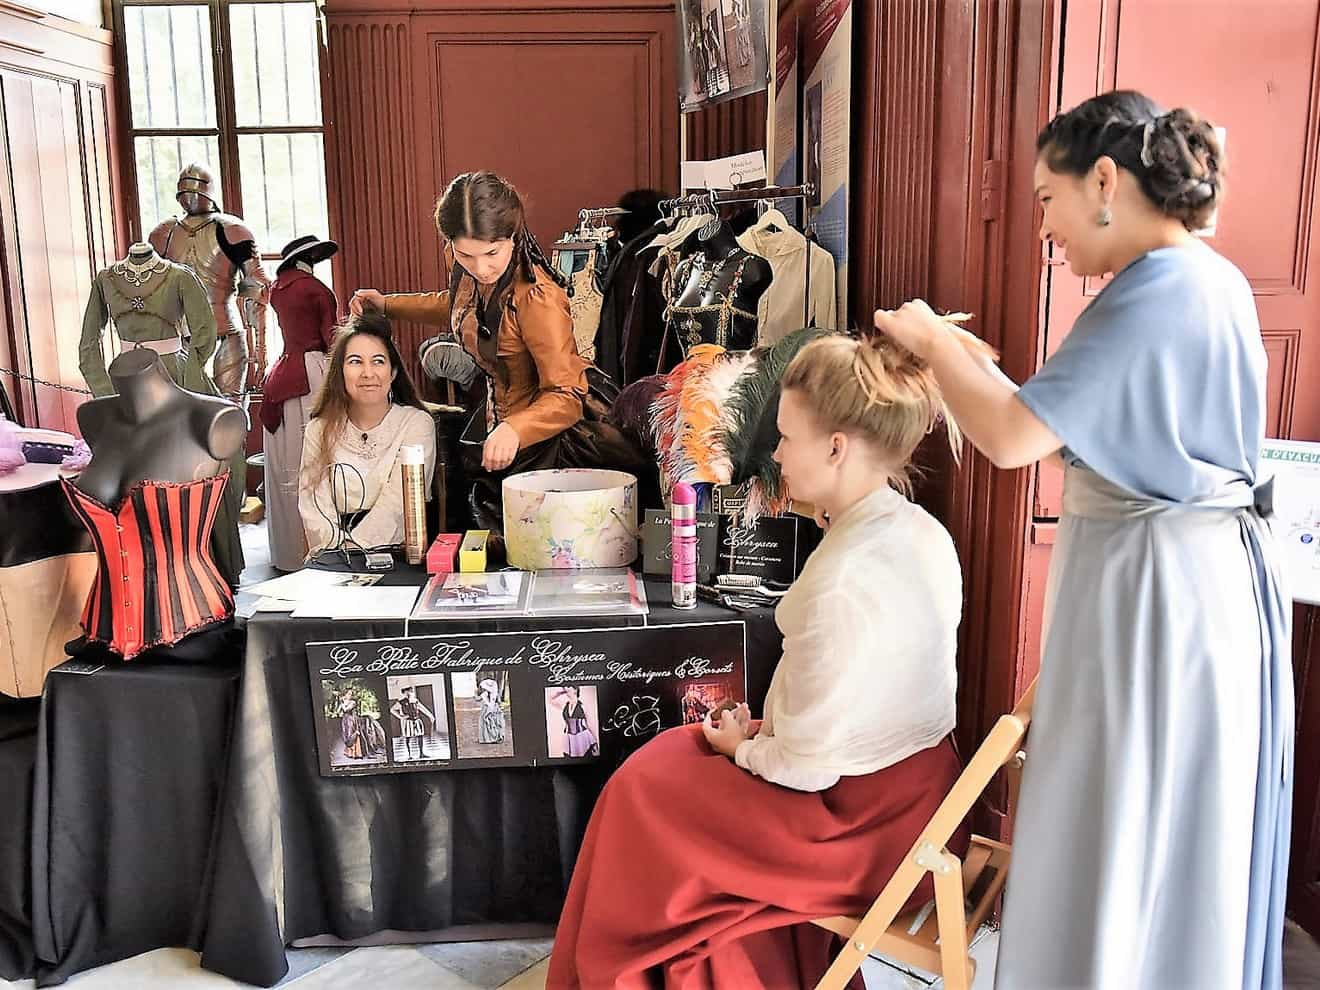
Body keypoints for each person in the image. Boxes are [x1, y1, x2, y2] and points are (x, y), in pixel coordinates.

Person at [871, 90, 1293, 990]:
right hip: (1186, 585)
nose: (1045, 230)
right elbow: (1085, 431)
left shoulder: (1157, 288)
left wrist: (928, 341)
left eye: (1045, 200)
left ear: (1105, 179)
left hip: (1157, 597)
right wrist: (971, 369)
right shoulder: (1201, 278)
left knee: (1121, 813)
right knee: (1157, 825)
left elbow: (1019, 438)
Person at [547, 333, 967, 988]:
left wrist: (742, 749)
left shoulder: (842, 582)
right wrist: (751, 741)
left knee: (639, 793)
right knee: (663, 768)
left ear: (837, 447)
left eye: (786, 437)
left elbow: (803, 771)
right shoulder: (920, 531)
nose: (773, 454)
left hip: (859, 831)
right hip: (918, 796)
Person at [348, 171, 645, 539]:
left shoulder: (537, 298)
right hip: (496, 433)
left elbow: (568, 396)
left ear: (513, 237)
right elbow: (459, 306)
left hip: (546, 444)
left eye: (492, 253)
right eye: (466, 255)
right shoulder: (469, 270)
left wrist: (515, 428)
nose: (481, 268)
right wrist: (388, 304)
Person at [298, 313, 437, 559]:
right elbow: (312, 505)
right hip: (332, 557)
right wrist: (339, 553)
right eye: (355, 362)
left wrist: (357, 549)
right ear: (340, 372)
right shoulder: (318, 430)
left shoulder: (416, 424)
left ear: (393, 372)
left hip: (397, 554)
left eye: (378, 361)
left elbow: (397, 504)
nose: (367, 373)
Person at [261, 235, 339, 571]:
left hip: (281, 370)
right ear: (308, 258)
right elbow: (332, 339)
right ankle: (318, 552)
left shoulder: (278, 289)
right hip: (313, 371)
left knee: (284, 464)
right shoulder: (317, 290)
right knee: (316, 460)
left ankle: (287, 552)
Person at [390, 686, 435, 760]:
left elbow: (423, 709)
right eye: (406, 691)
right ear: (404, 693)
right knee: (408, 738)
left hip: (417, 720)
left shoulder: (415, 701)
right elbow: (392, 709)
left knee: (420, 736)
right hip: (408, 722)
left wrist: (431, 716)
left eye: (410, 691)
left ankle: (421, 753)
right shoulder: (401, 702)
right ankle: (410, 755)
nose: (409, 693)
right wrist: (401, 717)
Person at [559, 686, 598, 758]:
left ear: (575, 690)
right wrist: (561, 692)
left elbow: (589, 725)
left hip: (582, 737)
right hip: (569, 739)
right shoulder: (564, 705)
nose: (566, 688)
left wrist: (595, 741)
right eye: (565, 687)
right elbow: (550, 699)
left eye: (568, 686)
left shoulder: (583, 706)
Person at [478, 677, 506, 744]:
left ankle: (493, 737)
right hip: (489, 708)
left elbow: (497, 701)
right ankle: (490, 737)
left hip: (493, 708)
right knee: (490, 721)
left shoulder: (492, 693)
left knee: (495, 722)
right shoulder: (486, 694)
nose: (483, 689)